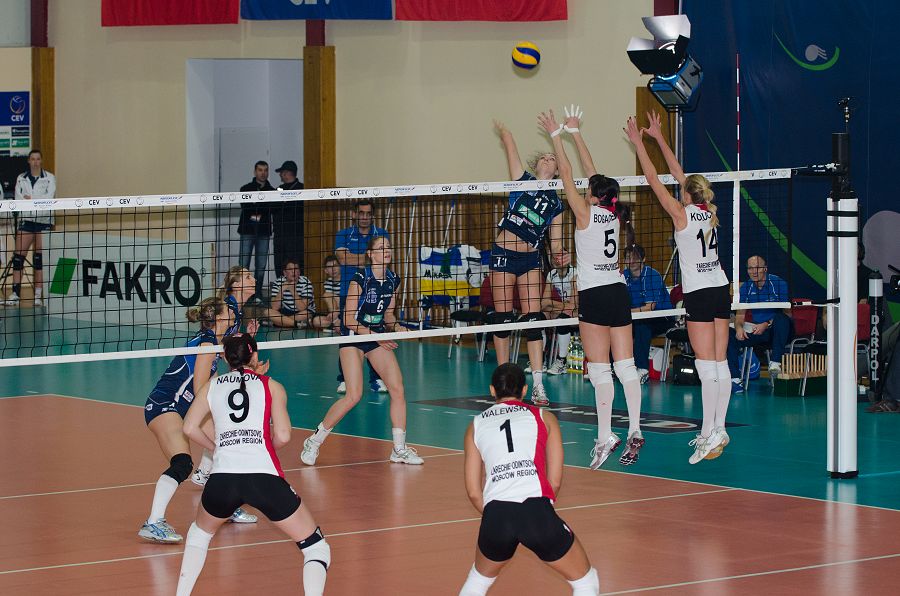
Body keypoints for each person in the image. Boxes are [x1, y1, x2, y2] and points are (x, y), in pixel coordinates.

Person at [176, 333, 329, 595]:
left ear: (226, 358)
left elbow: (189, 428)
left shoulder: (212, 385)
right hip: (263, 479)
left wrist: (216, 447)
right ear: (255, 356)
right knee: (315, 546)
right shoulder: (272, 386)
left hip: (222, 480)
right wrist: (262, 445)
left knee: (199, 535)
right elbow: (283, 435)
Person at [539, 108, 644, 469]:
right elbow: (593, 174)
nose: (583, 190)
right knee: (626, 366)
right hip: (618, 291)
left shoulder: (584, 213)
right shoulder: (614, 214)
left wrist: (556, 135)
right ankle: (634, 427)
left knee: (599, 370)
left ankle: (604, 437)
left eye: (588, 190)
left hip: (595, 295)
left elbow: (570, 173)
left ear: (594, 196)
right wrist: (576, 132)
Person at [627, 111, 732, 464]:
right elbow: (677, 173)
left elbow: (654, 178)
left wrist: (640, 144)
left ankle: (711, 430)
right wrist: (658, 137)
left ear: (686, 193)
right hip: (720, 287)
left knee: (706, 364)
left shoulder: (681, 213)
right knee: (720, 362)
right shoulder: (708, 210)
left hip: (699, 292)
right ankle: (716, 429)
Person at [459, 363, 600, 596]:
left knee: (478, 581)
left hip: (496, 515)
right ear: (524, 390)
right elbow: (554, 481)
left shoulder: (475, 425)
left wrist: (498, 514)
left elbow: (474, 492)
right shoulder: (544, 417)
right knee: (586, 582)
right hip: (536, 511)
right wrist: (538, 514)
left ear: (492, 390)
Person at [138, 298, 256, 544]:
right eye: (229, 310)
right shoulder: (206, 345)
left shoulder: (215, 343)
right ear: (220, 318)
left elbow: (218, 377)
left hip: (186, 408)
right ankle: (153, 522)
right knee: (182, 463)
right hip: (165, 405)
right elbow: (201, 388)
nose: (233, 313)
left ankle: (226, 506)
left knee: (226, 448)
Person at [300, 236, 423, 466]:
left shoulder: (393, 280)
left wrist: (397, 327)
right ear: (370, 254)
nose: (386, 250)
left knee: (397, 389)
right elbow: (348, 319)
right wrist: (377, 336)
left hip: (375, 336)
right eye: (381, 247)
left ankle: (399, 449)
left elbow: (388, 315)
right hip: (354, 336)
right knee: (353, 395)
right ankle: (314, 441)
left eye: (388, 247)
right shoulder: (361, 278)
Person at [490, 119, 569, 406]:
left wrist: (561, 255)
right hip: (504, 254)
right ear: (536, 165)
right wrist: (505, 131)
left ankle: (537, 385)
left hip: (531, 259)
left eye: (553, 158)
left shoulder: (557, 204)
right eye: (544, 157)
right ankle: (503, 386)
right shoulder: (521, 179)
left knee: (533, 320)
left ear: (558, 170)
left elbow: (556, 243)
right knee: (502, 320)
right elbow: (510, 147)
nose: (549, 159)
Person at [190, 266, 260, 486]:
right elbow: (220, 346)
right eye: (248, 276)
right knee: (220, 420)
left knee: (221, 418)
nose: (254, 279)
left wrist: (246, 338)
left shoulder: (236, 310)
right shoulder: (228, 308)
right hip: (202, 364)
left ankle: (205, 470)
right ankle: (213, 470)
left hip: (210, 364)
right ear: (236, 285)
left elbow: (225, 346)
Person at [334, 199, 388, 393]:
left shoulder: (381, 234)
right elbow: (342, 259)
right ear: (354, 214)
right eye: (361, 213)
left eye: (368, 213)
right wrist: (369, 257)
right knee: (347, 336)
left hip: (374, 292)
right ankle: (344, 379)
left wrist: (355, 258)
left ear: (373, 215)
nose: (364, 217)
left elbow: (382, 260)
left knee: (375, 333)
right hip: (348, 292)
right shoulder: (343, 235)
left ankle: (377, 379)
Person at [726, 255, 792, 393]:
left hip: (779, 330)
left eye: (757, 268)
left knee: (781, 319)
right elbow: (740, 316)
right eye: (750, 268)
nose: (754, 272)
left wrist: (767, 323)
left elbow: (788, 315)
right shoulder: (746, 288)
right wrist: (739, 328)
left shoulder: (779, 284)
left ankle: (775, 363)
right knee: (728, 334)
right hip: (759, 331)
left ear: (765, 269)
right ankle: (735, 379)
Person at [5, 149, 56, 307]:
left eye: (38, 159)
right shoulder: (21, 178)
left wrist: (32, 199)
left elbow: (49, 198)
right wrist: (35, 200)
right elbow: (19, 199)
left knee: (39, 259)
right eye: (32, 159)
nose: (35, 162)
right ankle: (15, 294)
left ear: (41, 161)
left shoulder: (49, 178)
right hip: (26, 220)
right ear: (28, 161)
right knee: (18, 258)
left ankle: (38, 295)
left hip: (43, 220)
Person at [623, 244, 674, 383]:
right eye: (628, 258)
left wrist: (625, 312)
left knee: (642, 325)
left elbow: (649, 308)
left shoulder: (652, 275)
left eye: (635, 258)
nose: (631, 261)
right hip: (635, 317)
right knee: (615, 326)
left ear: (643, 259)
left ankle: (642, 369)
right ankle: (614, 367)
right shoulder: (624, 276)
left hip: (662, 318)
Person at [238, 160, 275, 303]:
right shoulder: (245, 189)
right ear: (255, 172)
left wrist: (257, 208)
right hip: (247, 230)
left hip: (264, 231)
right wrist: (260, 209)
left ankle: (257, 294)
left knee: (261, 265)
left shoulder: (272, 191)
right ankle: (242, 294)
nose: (263, 173)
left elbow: (270, 208)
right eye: (260, 170)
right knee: (243, 264)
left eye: (265, 170)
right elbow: (246, 207)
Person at [265, 258, 335, 329]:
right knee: (268, 312)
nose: (293, 272)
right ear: (285, 273)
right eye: (290, 269)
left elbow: (302, 308)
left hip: (303, 313)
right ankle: (296, 324)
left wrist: (293, 291)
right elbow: (275, 308)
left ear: (299, 272)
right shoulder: (278, 282)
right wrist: (281, 291)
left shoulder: (306, 282)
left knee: (306, 314)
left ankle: (279, 322)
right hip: (285, 312)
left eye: (296, 269)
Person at [541, 260, 578, 375]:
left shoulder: (574, 273)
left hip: (581, 311)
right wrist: (561, 305)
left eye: (561, 256)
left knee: (562, 320)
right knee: (539, 318)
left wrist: (551, 303)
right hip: (564, 309)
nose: (558, 260)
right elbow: (544, 303)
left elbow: (573, 306)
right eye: (555, 257)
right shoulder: (552, 274)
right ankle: (540, 361)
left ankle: (562, 361)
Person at [273, 160, 305, 277]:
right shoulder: (278, 189)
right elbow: (273, 207)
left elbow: (298, 210)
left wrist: (285, 204)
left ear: (287, 173)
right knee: (280, 264)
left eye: (282, 172)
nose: (280, 175)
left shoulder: (302, 189)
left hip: (296, 236)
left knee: (296, 264)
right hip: (280, 236)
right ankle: (280, 287)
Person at [321, 254, 342, 328]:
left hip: (346, 310)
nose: (333, 269)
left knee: (326, 295)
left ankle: (336, 323)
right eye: (329, 267)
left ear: (340, 267)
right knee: (316, 321)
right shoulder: (327, 283)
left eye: (335, 265)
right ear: (326, 271)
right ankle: (336, 323)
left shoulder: (347, 280)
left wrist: (337, 311)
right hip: (335, 313)